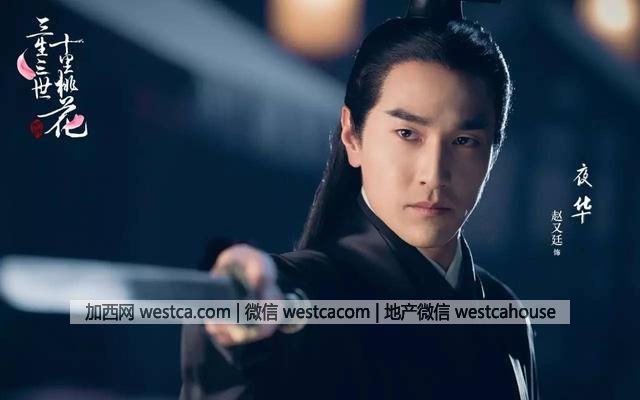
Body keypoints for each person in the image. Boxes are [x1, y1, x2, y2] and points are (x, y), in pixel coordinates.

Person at [180, 2, 538, 399]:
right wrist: (240, 310)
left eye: (465, 141)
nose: (434, 173)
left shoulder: (504, 314)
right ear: (352, 135)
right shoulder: (306, 298)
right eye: (407, 134)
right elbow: (263, 318)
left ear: (493, 152)